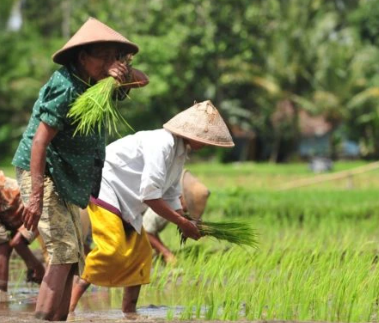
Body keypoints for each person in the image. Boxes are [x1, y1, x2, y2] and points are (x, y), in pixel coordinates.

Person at [12, 17, 149, 321]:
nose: (108, 62)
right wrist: (34, 197)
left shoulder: (102, 84)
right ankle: (42, 318)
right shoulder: (66, 86)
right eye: (102, 56)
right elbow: (39, 142)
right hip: (44, 173)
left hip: (69, 178)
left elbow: (142, 79)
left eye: (114, 56)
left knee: (73, 256)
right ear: (82, 56)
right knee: (62, 251)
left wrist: (120, 72)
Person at [69, 100, 234, 314]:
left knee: (141, 254)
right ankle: (69, 309)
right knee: (111, 249)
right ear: (193, 132)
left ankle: (129, 313)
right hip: (106, 186)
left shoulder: (180, 153)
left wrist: (186, 219)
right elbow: (150, 196)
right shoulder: (162, 144)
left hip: (127, 198)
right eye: (207, 138)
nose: (209, 144)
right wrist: (182, 223)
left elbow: (171, 193)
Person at [143, 169, 211, 264]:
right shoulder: (165, 203)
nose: (184, 210)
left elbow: (150, 229)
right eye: (187, 207)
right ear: (180, 196)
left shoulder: (174, 201)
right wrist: (166, 253)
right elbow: (145, 231)